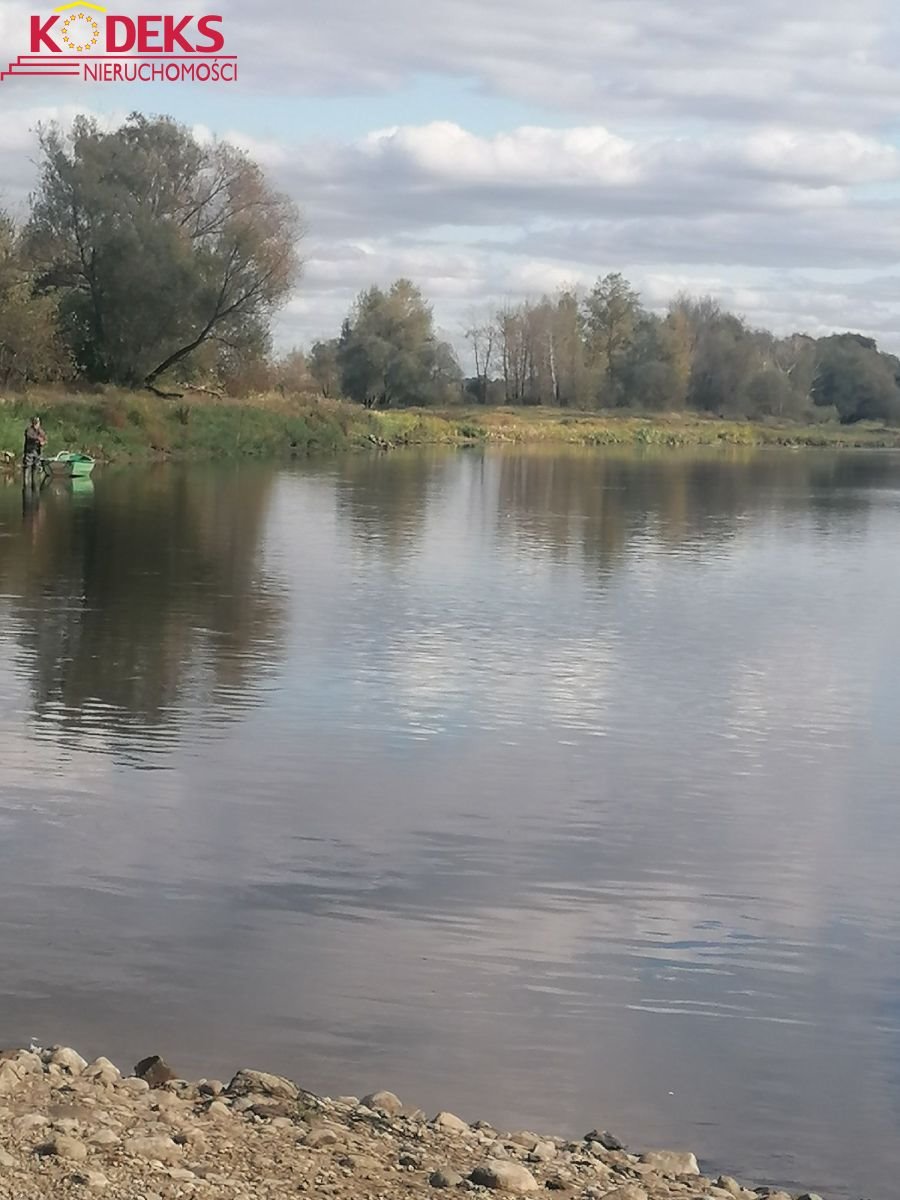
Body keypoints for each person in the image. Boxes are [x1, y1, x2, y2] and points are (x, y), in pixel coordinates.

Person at [22, 416, 48, 486]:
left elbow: (45, 438)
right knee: (28, 466)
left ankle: (35, 484)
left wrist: (43, 442)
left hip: (37, 452)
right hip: (29, 451)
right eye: (35, 423)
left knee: (36, 467)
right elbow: (30, 436)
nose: (36, 424)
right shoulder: (29, 430)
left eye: (37, 423)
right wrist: (39, 439)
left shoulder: (41, 431)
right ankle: (26, 483)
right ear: (33, 423)